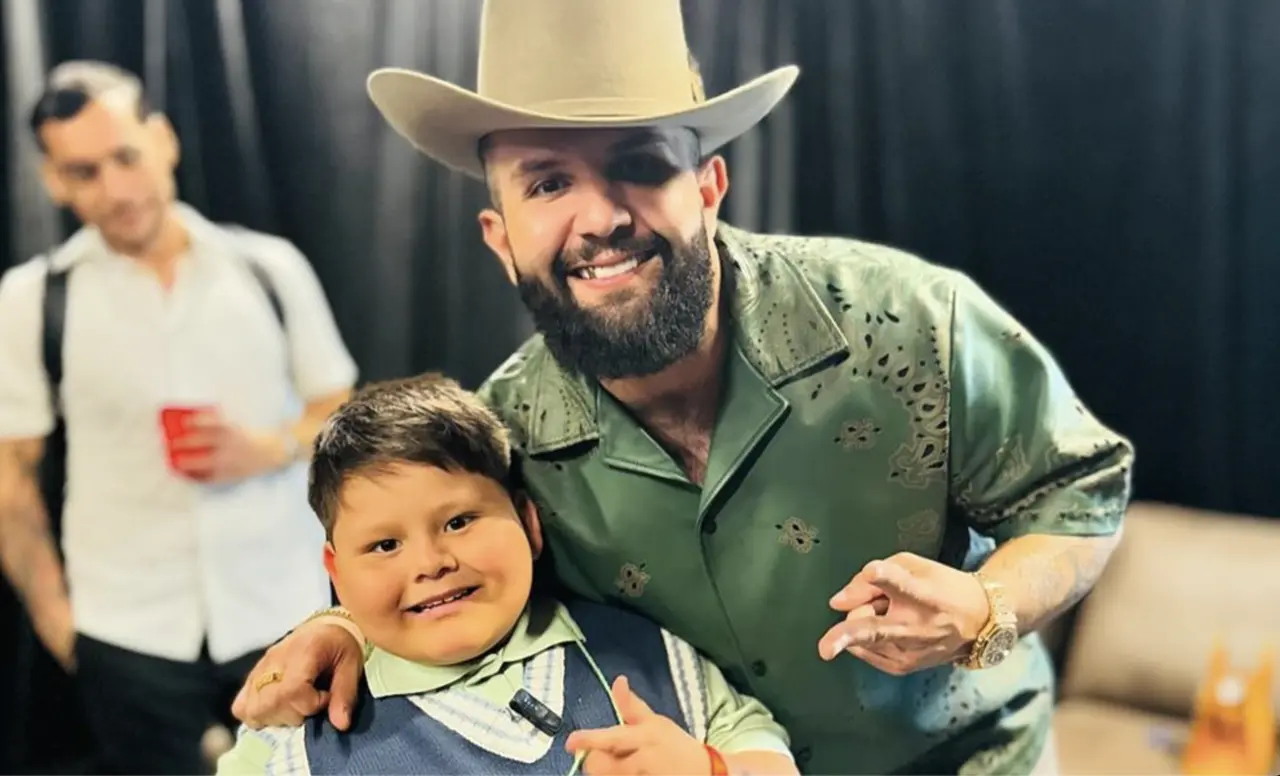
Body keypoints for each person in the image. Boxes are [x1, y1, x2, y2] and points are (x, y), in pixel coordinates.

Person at [231, 1, 1135, 772]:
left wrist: (987, 607)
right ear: (500, 238)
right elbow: (453, 572)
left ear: (709, 185)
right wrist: (343, 629)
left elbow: (1078, 497)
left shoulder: (911, 321)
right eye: (548, 182)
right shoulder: (502, 433)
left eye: (640, 162)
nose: (601, 217)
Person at [0, 61, 359, 775]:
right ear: (52, 181)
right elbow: (12, 474)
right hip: (124, 626)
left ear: (163, 140)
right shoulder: (30, 299)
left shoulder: (268, 270)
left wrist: (273, 447)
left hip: (281, 609)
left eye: (126, 157)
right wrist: (61, 627)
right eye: (84, 171)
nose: (115, 189)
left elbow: (338, 411)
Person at [216, 374, 797, 775]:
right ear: (336, 574)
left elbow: (761, 746)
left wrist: (710, 768)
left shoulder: (650, 659)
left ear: (529, 522)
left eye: (460, 521)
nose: (430, 563)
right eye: (385, 544)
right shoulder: (298, 739)